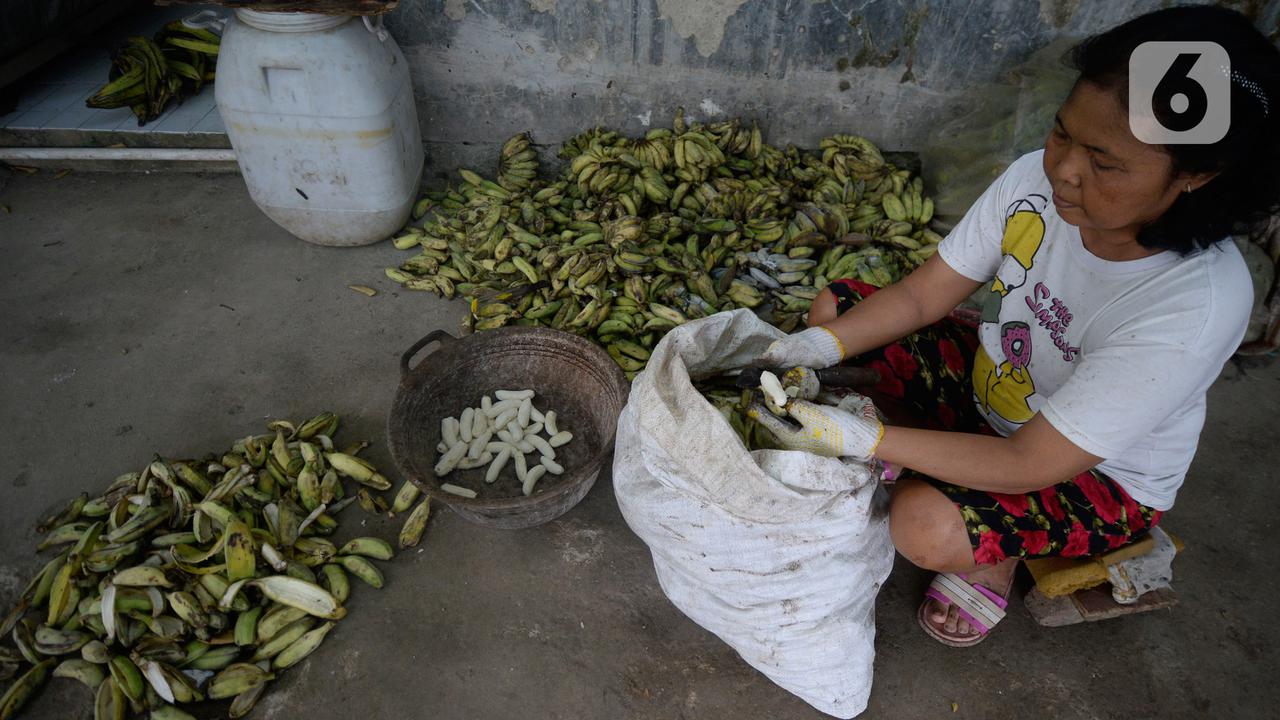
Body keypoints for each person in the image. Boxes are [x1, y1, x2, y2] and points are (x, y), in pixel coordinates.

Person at [750, 5, 1280, 647]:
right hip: (997, 383)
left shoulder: (1193, 303)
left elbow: (1031, 460)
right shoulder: (1036, 182)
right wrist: (819, 344)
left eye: (1104, 163)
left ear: (1196, 177)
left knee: (923, 527)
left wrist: (864, 440)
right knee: (839, 309)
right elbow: (923, 297)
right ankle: (933, 459)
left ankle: (993, 552)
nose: (1064, 169)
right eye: (1062, 134)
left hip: (1084, 472)